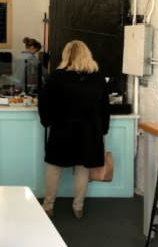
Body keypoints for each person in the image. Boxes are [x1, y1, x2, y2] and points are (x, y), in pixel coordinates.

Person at [38, 40, 110, 220]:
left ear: (67, 55)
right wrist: (103, 130)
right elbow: (105, 107)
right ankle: (78, 207)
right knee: (82, 169)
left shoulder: (58, 76)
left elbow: (44, 101)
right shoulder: (98, 77)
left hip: (63, 129)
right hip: (89, 130)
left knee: (54, 168)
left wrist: (47, 121)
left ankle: (48, 205)